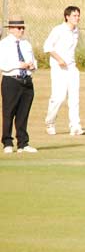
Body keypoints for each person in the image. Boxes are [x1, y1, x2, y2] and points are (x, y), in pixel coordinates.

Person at [43, 5, 85, 136]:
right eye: (74, 15)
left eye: (78, 15)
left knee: (74, 98)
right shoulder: (58, 30)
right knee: (59, 97)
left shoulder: (76, 31)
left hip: (72, 68)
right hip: (58, 68)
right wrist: (59, 59)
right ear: (67, 17)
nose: (77, 18)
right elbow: (47, 47)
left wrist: (68, 62)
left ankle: (75, 126)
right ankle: (50, 122)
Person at [0, 18, 38, 154]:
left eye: (23, 28)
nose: (21, 30)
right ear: (10, 29)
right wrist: (18, 64)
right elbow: (2, 64)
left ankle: (23, 143)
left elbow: (33, 60)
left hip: (26, 80)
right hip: (11, 80)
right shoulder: (4, 44)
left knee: (23, 113)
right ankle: (7, 142)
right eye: (18, 28)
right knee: (9, 112)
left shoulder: (26, 44)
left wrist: (33, 66)